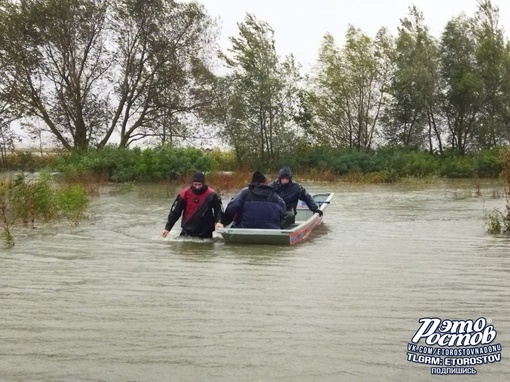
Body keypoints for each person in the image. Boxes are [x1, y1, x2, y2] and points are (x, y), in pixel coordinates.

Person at [216, 171, 286, 229]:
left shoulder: (244, 192)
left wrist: (223, 222)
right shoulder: (275, 195)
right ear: (265, 183)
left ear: (252, 182)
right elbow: (283, 211)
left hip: (244, 228)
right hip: (272, 229)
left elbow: (231, 208)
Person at [162, 171, 222, 239]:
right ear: (192, 183)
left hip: (206, 231)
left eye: (199, 185)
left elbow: (219, 210)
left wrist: (219, 221)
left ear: (203, 183)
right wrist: (167, 228)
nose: (197, 187)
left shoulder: (212, 194)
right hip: (187, 229)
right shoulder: (184, 193)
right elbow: (175, 212)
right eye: (195, 184)